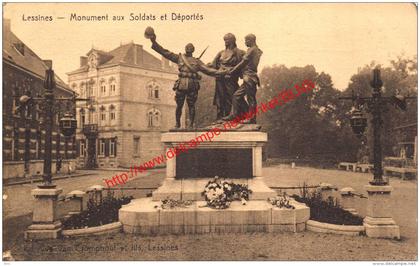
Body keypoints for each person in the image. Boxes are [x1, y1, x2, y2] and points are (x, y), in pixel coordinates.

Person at [145, 27, 223, 129]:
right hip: (181, 85)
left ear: (192, 50)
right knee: (179, 106)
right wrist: (153, 41)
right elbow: (164, 52)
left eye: (189, 48)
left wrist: (221, 72)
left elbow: (208, 70)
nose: (188, 49)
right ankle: (177, 124)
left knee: (191, 106)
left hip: (192, 85)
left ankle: (191, 125)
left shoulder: (197, 62)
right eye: (187, 47)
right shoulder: (179, 58)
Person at [222, 34, 263, 124]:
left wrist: (232, 71)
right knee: (236, 96)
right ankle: (234, 115)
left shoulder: (252, 50)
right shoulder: (256, 50)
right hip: (249, 77)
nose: (245, 42)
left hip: (249, 77)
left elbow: (243, 62)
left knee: (250, 98)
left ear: (250, 40)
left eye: (246, 40)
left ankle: (251, 118)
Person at [208, 33, 247, 120]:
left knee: (233, 96)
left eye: (227, 40)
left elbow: (245, 65)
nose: (226, 42)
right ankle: (222, 117)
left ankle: (240, 115)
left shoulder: (240, 52)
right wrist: (200, 65)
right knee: (221, 98)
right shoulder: (221, 53)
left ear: (233, 40)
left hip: (231, 78)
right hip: (220, 78)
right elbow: (213, 65)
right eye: (225, 40)